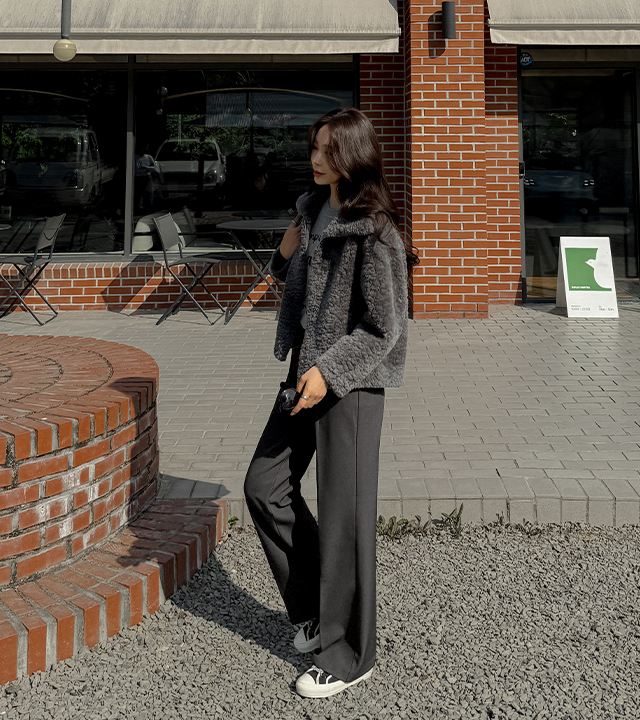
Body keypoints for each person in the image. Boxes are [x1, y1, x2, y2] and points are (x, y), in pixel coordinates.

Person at [244, 107, 417, 699]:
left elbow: (385, 327)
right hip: (305, 372)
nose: (315, 159)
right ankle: (317, 612)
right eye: (313, 148)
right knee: (264, 486)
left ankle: (349, 655)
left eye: (326, 149)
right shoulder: (312, 209)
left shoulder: (376, 230)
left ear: (353, 155)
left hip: (351, 383)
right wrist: (284, 254)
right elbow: (295, 283)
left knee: (345, 520)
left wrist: (330, 372)